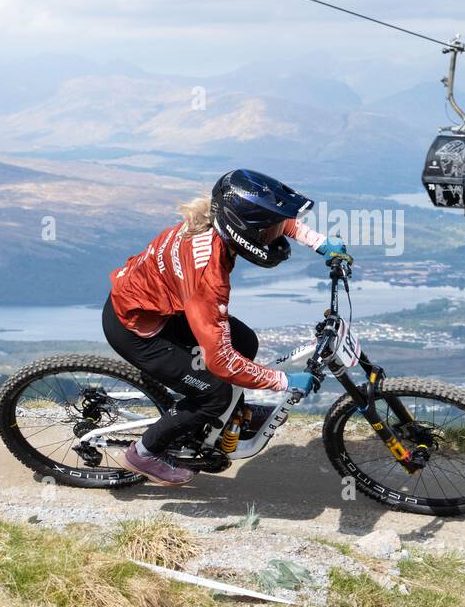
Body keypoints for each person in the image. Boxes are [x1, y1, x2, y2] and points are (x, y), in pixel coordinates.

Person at [102, 169, 348, 485]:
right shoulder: (207, 274)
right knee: (214, 395)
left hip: (164, 308)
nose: (274, 235)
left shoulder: (222, 223)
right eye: (267, 232)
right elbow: (221, 361)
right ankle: (144, 453)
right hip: (138, 329)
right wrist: (283, 381)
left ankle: (233, 415)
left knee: (245, 341)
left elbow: (272, 220)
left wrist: (320, 242)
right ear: (244, 231)